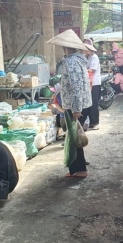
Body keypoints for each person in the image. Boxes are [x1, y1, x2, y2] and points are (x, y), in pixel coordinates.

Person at [49, 30, 92, 178]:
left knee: (74, 139)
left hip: (76, 106)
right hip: (80, 103)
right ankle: (79, 166)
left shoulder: (71, 61)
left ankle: (80, 169)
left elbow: (76, 85)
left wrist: (76, 109)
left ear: (66, 47)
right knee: (75, 136)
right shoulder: (78, 59)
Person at [84, 39, 101, 131]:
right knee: (88, 103)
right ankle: (89, 122)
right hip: (87, 83)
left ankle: (95, 122)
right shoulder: (85, 57)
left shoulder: (94, 57)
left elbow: (92, 70)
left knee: (94, 103)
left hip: (94, 83)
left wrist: (82, 71)